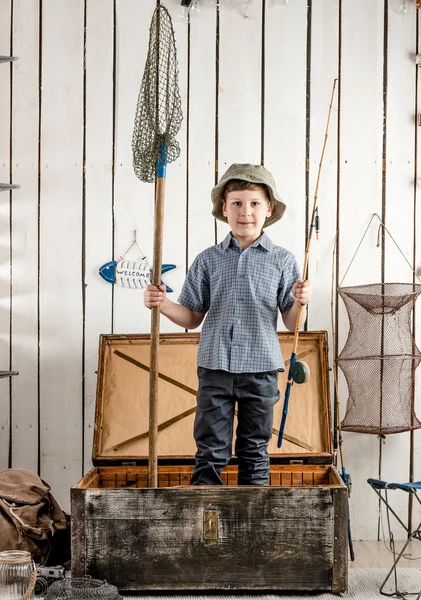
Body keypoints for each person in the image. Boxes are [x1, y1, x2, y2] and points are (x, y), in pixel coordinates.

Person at [144, 163, 312, 486]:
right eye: (236, 203)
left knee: (254, 452)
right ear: (224, 208)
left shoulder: (283, 261)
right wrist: (162, 303)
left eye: (254, 204)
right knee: (210, 452)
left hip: (261, 373)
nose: (244, 212)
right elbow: (192, 317)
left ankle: (251, 532)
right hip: (215, 370)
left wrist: (300, 300)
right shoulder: (208, 259)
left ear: (268, 210)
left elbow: (293, 324)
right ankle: (206, 531)